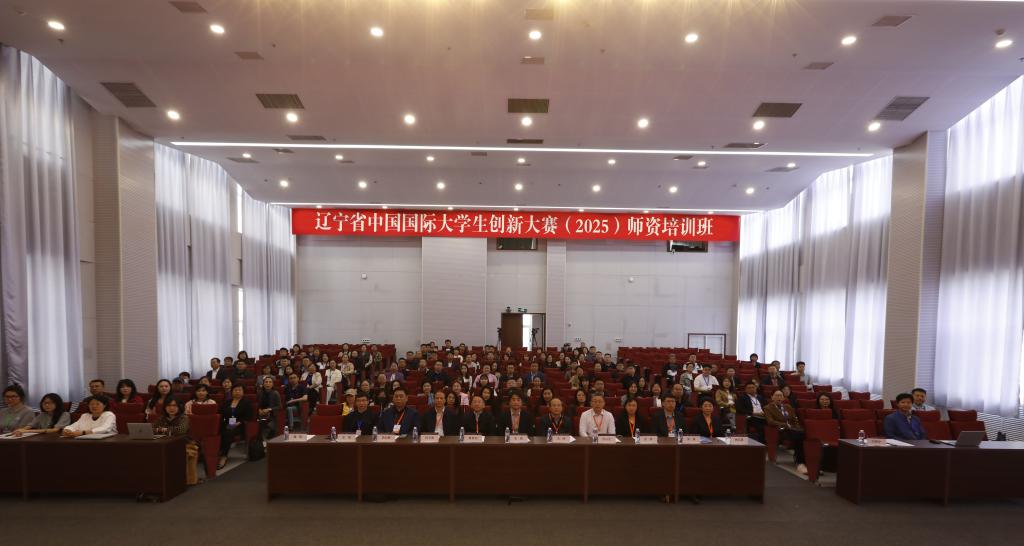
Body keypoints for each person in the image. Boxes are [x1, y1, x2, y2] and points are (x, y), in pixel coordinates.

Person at [765, 390, 807, 474]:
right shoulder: (768, 408)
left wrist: (796, 427)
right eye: (776, 395)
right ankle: (800, 462)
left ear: (783, 398)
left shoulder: (787, 406)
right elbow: (770, 421)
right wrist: (785, 425)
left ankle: (804, 461)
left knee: (803, 436)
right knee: (799, 436)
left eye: (780, 396)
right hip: (781, 430)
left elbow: (795, 419)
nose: (779, 397)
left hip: (793, 429)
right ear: (772, 397)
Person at [218, 384, 254, 469]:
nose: (237, 392)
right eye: (235, 390)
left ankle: (224, 456)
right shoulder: (227, 402)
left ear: (243, 392)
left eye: (239, 390)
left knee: (227, 433)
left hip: (240, 425)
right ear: (232, 392)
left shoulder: (247, 403)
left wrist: (236, 424)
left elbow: (249, 417)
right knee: (218, 431)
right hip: (227, 424)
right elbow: (221, 414)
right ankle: (215, 453)